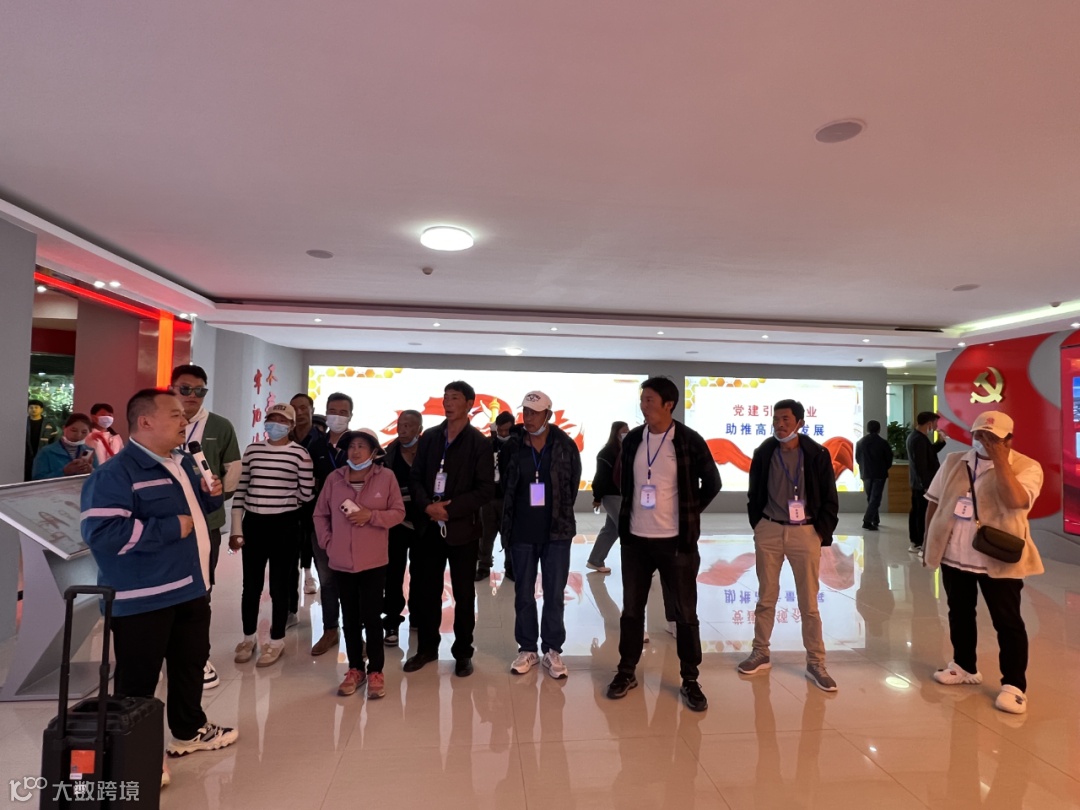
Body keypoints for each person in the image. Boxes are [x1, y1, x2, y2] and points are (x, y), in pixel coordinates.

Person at [80, 388, 237, 768]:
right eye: (175, 414)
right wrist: (168, 528)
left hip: (190, 586)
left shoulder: (181, 463)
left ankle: (189, 729)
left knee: (189, 665)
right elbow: (102, 534)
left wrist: (210, 495)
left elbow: (193, 513)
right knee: (138, 680)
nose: (185, 420)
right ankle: (135, 757)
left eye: (184, 415)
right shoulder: (115, 473)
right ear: (145, 421)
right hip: (144, 597)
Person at [606, 377, 721, 711]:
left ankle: (690, 679)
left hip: (676, 543)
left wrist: (688, 512)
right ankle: (626, 670)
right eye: (642, 399)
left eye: (650, 400)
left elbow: (712, 482)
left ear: (669, 404)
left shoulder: (687, 440)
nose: (644, 406)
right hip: (635, 542)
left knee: (685, 613)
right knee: (631, 611)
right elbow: (622, 480)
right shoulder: (633, 440)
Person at [923, 411, 1043, 715]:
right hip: (955, 555)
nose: (983, 442)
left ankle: (1014, 685)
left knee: (1007, 621)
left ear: (1008, 440)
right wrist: (929, 543)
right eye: (979, 435)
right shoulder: (954, 461)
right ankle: (964, 666)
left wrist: (1001, 461)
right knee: (959, 612)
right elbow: (934, 502)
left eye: (992, 438)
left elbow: (1016, 501)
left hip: (998, 558)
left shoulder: (1027, 467)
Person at [741, 399, 840, 692]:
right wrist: (759, 525)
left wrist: (819, 532)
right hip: (770, 529)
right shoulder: (764, 452)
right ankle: (760, 651)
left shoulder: (817, 454)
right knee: (766, 596)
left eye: (785, 419)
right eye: (776, 419)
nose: (779, 424)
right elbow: (754, 493)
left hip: (805, 532)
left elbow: (829, 496)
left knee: (809, 602)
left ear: (799, 423)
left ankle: (816, 662)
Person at [405, 380, 496, 676]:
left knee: (464, 594)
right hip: (429, 526)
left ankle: (463, 652)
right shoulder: (430, 437)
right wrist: (427, 506)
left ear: (469, 403)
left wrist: (450, 509)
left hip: (462, 529)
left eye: (454, 398)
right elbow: (415, 477)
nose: (447, 402)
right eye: (446, 397)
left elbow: (485, 489)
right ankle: (427, 648)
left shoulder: (479, 443)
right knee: (427, 591)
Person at [314, 429, 405, 698]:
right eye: (351, 446)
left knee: (372, 616)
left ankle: (376, 670)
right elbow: (320, 514)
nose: (355, 451)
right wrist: (329, 543)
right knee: (350, 617)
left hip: (374, 561)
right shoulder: (334, 479)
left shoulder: (386, 477)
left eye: (361, 446)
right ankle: (355, 668)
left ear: (374, 452)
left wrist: (371, 516)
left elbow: (398, 512)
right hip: (341, 560)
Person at [500, 391, 582, 678]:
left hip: (556, 532)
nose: (528, 417)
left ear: (548, 414)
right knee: (523, 592)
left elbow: (571, 485)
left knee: (555, 593)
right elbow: (505, 486)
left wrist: (558, 512)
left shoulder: (565, 445)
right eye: (525, 411)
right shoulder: (513, 445)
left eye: (534, 412)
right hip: (521, 531)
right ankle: (527, 648)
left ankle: (552, 649)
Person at [170, 364, 242, 690]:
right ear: (172, 389)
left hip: (206, 523)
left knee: (201, 588)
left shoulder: (219, 426)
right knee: (166, 587)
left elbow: (233, 468)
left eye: (200, 390)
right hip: (166, 523)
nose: (192, 396)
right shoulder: (161, 423)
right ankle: (166, 651)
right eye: (185, 389)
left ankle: (198, 656)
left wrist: (216, 497)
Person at [230, 403, 314, 668]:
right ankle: (248, 638)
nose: (275, 423)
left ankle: (277, 640)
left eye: (282, 420)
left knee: (280, 586)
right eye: (271, 418)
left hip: (284, 525)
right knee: (250, 586)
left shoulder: (300, 454)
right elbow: (241, 489)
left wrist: (284, 501)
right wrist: (236, 528)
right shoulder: (252, 450)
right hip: (254, 524)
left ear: (291, 425)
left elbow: (307, 493)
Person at [304, 392, 352, 656]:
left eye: (343, 412)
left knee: (353, 579)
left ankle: (355, 633)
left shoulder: (358, 444)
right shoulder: (315, 446)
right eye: (333, 411)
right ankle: (330, 629)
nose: (337, 416)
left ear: (351, 416)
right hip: (322, 522)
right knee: (327, 578)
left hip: (353, 524)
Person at [380, 409, 423, 645]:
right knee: (393, 574)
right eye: (400, 424)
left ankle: (418, 616)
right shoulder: (388, 455)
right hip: (395, 524)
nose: (403, 429)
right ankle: (391, 622)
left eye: (409, 425)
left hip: (424, 524)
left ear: (419, 430)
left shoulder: (429, 453)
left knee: (422, 573)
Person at [478, 411, 515, 581]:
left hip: (508, 498)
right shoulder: (487, 444)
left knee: (509, 535)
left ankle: (510, 567)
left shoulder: (517, 445)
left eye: (507, 430)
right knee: (486, 535)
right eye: (501, 430)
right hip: (488, 498)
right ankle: (484, 565)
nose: (504, 433)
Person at [588, 421, 629, 573]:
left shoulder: (626, 451)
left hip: (622, 495)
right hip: (612, 496)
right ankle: (638, 566)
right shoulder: (606, 453)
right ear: (616, 433)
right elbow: (600, 477)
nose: (626, 433)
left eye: (628, 430)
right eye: (624, 431)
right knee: (626, 528)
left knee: (611, 530)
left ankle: (595, 560)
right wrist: (597, 497)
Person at [289, 394, 319, 597]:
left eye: (303, 408)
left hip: (315, 500)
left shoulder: (321, 440)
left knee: (312, 539)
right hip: (289, 500)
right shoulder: (285, 438)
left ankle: (309, 574)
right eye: (294, 408)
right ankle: (290, 599)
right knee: (290, 545)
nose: (299, 413)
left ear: (312, 411)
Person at [907, 411, 942, 554]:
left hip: (919, 483)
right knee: (920, 513)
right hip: (922, 484)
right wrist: (926, 485)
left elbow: (929, 453)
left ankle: (917, 541)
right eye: (935, 423)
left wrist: (940, 442)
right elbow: (921, 464)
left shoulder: (917, 437)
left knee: (917, 511)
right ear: (929, 424)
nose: (936, 426)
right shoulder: (918, 439)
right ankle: (919, 542)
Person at [32, 413, 98, 480]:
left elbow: (99, 478)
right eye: (74, 430)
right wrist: (64, 472)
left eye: (84, 432)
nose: (78, 435)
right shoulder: (47, 452)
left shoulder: (90, 451)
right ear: (64, 428)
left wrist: (91, 471)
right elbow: (37, 479)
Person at [855, 420, 893, 531]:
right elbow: (889, 459)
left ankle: (875, 519)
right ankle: (867, 521)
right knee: (875, 498)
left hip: (865, 473)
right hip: (879, 474)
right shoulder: (883, 443)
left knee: (871, 498)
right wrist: (884, 468)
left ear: (867, 429)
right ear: (879, 429)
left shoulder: (860, 442)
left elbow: (858, 458)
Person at [25, 399, 60, 480]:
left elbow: (54, 440)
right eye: (31, 407)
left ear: (41, 409)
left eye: (36, 407)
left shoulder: (50, 424)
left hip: (43, 455)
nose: (33, 409)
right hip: (26, 457)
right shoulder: (23, 422)